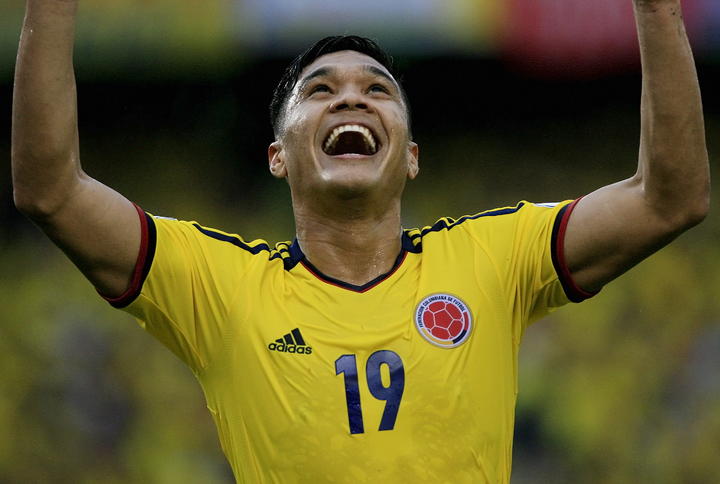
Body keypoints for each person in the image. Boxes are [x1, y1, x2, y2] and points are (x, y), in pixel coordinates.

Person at [11, 0, 710, 482]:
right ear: (277, 156)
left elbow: (668, 199)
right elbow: (52, 192)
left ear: (411, 157)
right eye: (319, 90)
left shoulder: (496, 257)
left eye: (378, 89)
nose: (351, 97)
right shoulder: (217, 285)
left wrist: (656, 12)